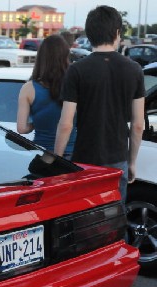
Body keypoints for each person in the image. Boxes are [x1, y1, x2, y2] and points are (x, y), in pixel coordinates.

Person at [54, 5, 145, 203]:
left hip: (84, 159)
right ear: (117, 33)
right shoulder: (134, 70)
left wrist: (57, 161)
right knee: (113, 219)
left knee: (85, 218)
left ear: (90, 33)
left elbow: (66, 123)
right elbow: (138, 125)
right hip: (117, 159)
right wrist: (132, 162)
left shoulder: (76, 70)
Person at [17, 34, 76, 157]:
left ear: (41, 57)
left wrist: (36, 124)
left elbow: (21, 128)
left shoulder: (28, 88)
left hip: (41, 154)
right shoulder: (74, 84)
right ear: (65, 56)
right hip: (73, 152)